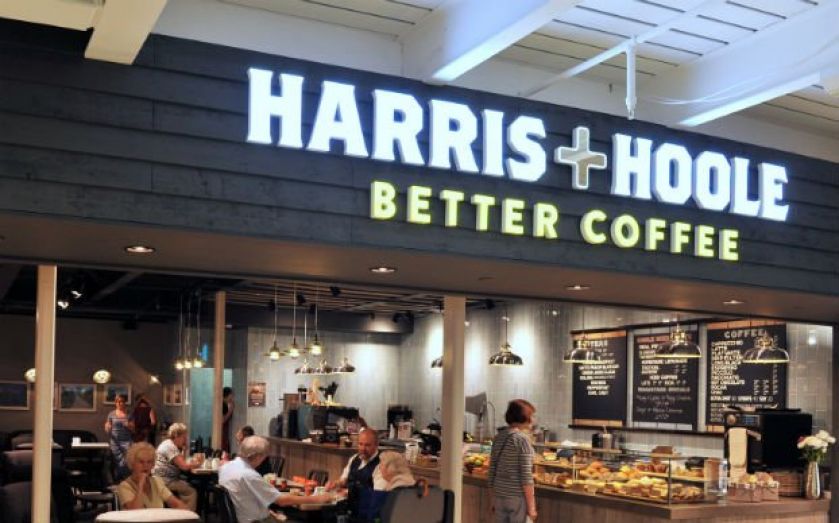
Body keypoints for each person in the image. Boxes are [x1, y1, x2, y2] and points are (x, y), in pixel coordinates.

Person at [219, 435, 333, 523]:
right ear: (258, 456)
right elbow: (281, 501)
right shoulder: (249, 475)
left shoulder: (225, 467)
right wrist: (317, 499)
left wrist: (267, 511)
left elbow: (243, 497)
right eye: (264, 456)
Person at [488, 399, 537, 523]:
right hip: (516, 497)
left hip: (499, 496)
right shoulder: (522, 440)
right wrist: (531, 508)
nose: (533, 419)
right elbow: (526, 476)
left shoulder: (499, 437)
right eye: (531, 415)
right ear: (525, 417)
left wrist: (492, 499)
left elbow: (492, 470)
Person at [326, 428, 387, 522]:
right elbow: (343, 480)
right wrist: (335, 484)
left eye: (367, 445)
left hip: (367, 515)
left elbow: (377, 496)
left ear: (376, 445)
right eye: (360, 444)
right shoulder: (354, 459)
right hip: (350, 511)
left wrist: (350, 491)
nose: (363, 449)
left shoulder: (381, 464)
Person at [118, 442, 187, 510]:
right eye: (141, 462)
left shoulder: (157, 481)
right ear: (132, 463)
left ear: (153, 464)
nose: (145, 466)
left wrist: (187, 512)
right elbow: (135, 511)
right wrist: (141, 484)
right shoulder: (124, 486)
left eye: (149, 462)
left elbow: (175, 503)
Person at [151, 423, 202, 511]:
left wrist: (184, 450)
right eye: (184, 437)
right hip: (165, 481)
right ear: (176, 436)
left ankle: (181, 510)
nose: (185, 440)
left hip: (163, 479)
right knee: (191, 491)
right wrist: (198, 464)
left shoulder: (168, 444)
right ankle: (188, 516)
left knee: (187, 483)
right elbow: (184, 466)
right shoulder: (170, 447)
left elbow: (181, 462)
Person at [105, 394, 134, 480]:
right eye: (118, 402)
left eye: (122, 402)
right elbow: (107, 426)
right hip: (115, 442)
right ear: (115, 403)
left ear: (125, 403)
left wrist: (128, 425)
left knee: (127, 460)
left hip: (127, 441)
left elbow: (134, 429)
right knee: (117, 461)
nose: (120, 403)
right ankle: (118, 479)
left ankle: (126, 478)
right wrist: (107, 427)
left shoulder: (129, 414)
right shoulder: (111, 414)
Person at [222, 387, 234, 453]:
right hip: (222, 432)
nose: (232, 398)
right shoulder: (222, 405)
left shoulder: (225, 404)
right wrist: (230, 411)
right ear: (227, 395)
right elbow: (222, 420)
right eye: (231, 395)